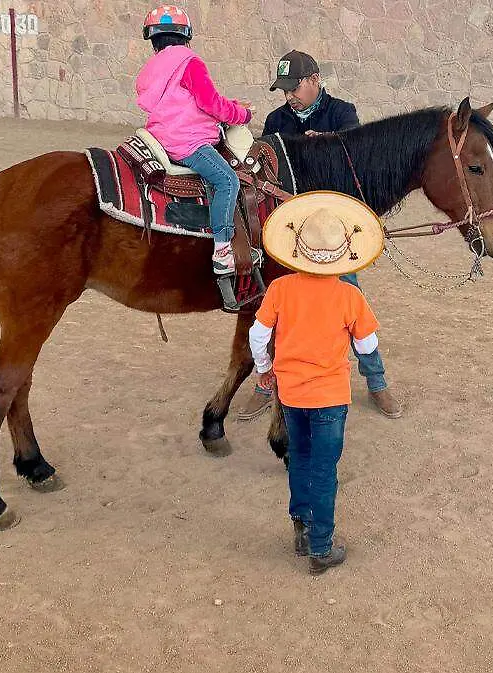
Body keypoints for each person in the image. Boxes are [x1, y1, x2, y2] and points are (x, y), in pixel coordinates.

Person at [239, 50, 402, 421]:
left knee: (349, 296)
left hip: (331, 232)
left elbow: (358, 161)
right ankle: (267, 381)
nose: (288, 97)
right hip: (288, 229)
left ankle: (376, 381)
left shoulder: (343, 114)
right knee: (274, 303)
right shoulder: (276, 121)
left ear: (314, 79)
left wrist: (328, 143)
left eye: (294, 88)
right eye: (283, 90)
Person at [249, 191, 386, 574]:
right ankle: (321, 548)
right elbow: (367, 343)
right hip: (330, 397)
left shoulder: (279, 289)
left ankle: (301, 528)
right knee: (325, 470)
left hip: (291, 394)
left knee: (301, 460)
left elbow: (259, 336)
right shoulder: (350, 295)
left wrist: (265, 367)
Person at [134, 5, 254, 274]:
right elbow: (210, 103)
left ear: (153, 41)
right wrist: (242, 114)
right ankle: (223, 250)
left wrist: (230, 104)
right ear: (186, 36)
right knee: (227, 179)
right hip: (187, 142)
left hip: (162, 137)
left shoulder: (151, 69)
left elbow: (182, 103)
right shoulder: (189, 62)